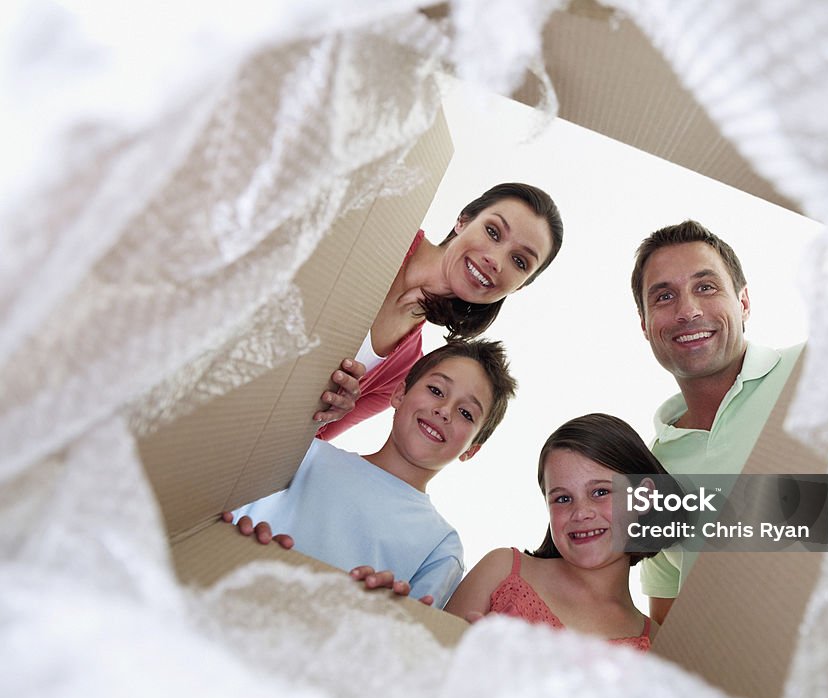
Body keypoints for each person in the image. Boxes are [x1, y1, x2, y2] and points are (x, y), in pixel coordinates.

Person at [223, 339, 516, 607]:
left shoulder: (441, 546)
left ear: (471, 450)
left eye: (466, 413)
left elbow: (407, 637)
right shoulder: (304, 453)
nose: (444, 411)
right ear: (400, 394)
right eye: (436, 391)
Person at [631, 220, 804, 624]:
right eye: (664, 296)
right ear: (644, 325)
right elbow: (672, 631)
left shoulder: (817, 369)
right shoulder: (647, 475)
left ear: (743, 303)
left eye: (705, 287)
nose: (687, 311)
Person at [313, 182, 563, 435]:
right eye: (493, 232)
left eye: (519, 261)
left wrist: (325, 416)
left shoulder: (403, 371)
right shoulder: (379, 224)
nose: (495, 261)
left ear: (518, 287)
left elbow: (305, 444)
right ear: (463, 220)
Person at [441, 413, 661, 651]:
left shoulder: (659, 644)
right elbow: (423, 664)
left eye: (600, 492)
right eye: (563, 498)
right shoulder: (501, 571)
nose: (581, 512)